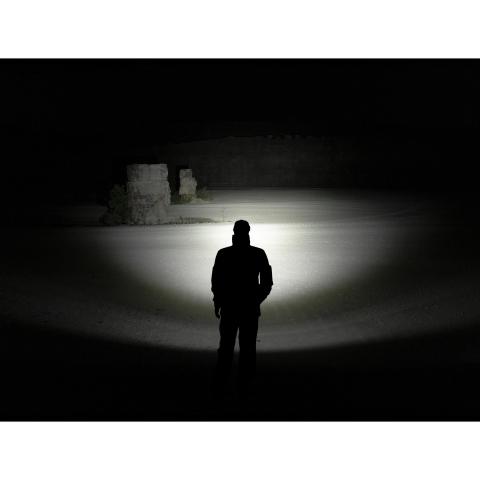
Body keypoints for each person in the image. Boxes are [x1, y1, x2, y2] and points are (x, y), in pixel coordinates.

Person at [211, 219, 273, 397]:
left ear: (234, 232)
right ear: (248, 232)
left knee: (227, 346)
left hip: (230, 307)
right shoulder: (258, 253)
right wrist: (257, 300)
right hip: (248, 308)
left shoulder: (223, 254)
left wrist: (218, 301)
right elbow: (267, 282)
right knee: (247, 347)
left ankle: (222, 383)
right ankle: (244, 385)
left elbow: (216, 282)